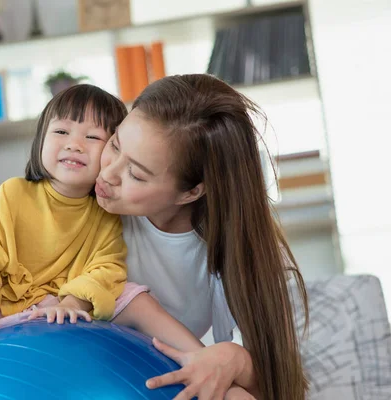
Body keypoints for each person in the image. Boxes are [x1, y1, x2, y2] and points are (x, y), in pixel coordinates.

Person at [0, 84, 213, 400]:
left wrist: (72, 304)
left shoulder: (106, 211)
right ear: (40, 139)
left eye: (93, 137)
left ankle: (204, 359)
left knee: (133, 295)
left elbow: (106, 268)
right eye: (61, 132)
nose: (75, 145)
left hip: (63, 303)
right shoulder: (12, 194)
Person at [95, 74, 310, 400]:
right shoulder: (78, 195)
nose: (107, 173)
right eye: (114, 144)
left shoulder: (232, 250)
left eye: (136, 174)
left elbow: (277, 383)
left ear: (191, 192)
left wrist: (235, 359)